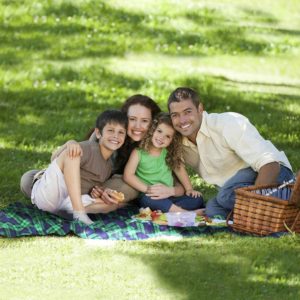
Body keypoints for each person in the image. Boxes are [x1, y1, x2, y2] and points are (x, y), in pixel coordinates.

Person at [21, 95, 184, 212]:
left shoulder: (159, 143)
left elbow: (179, 183)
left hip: (112, 187)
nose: (137, 126)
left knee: (129, 188)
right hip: (79, 181)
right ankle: (65, 200)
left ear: (154, 123)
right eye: (132, 119)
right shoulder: (107, 139)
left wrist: (170, 191)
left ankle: (73, 206)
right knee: (28, 178)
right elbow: (66, 160)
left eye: (145, 121)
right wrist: (69, 143)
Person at [167, 87, 294, 218]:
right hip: (235, 191)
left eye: (187, 112)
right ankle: (278, 211)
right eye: (175, 115)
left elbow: (271, 164)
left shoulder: (228, 124)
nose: (182, 120)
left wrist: (255, 204)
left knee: (225, 195)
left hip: (273, 175)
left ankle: (290, 196)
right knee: (212, 210)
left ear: (200, 109)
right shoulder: (174, 140)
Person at [30, 110, 127, 225]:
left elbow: (87, 184)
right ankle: (79, 213)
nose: (116, 136)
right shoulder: (88, 148)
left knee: (112, 204)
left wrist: (96, 192)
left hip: (67, 203)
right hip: (49, 194)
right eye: (111, 130)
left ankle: (65, 213)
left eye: (121, 132)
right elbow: (55, 159)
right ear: (98, 133)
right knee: (73, 153)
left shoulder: (108, 166)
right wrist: (69, 143)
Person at [123, 112, 205, 214]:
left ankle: (168, 211)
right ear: (152, 130)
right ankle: (184, 213)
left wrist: (189, 189)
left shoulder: (169, 154)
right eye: (159, 131)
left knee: (197, 199)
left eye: (167, 136)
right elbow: (128, 175)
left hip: (169, 196)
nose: (161, 137)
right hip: (151, 196)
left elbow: (180, 170)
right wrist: (148, 190)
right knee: (147, 200)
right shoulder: (138, 153)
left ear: (172, 140)